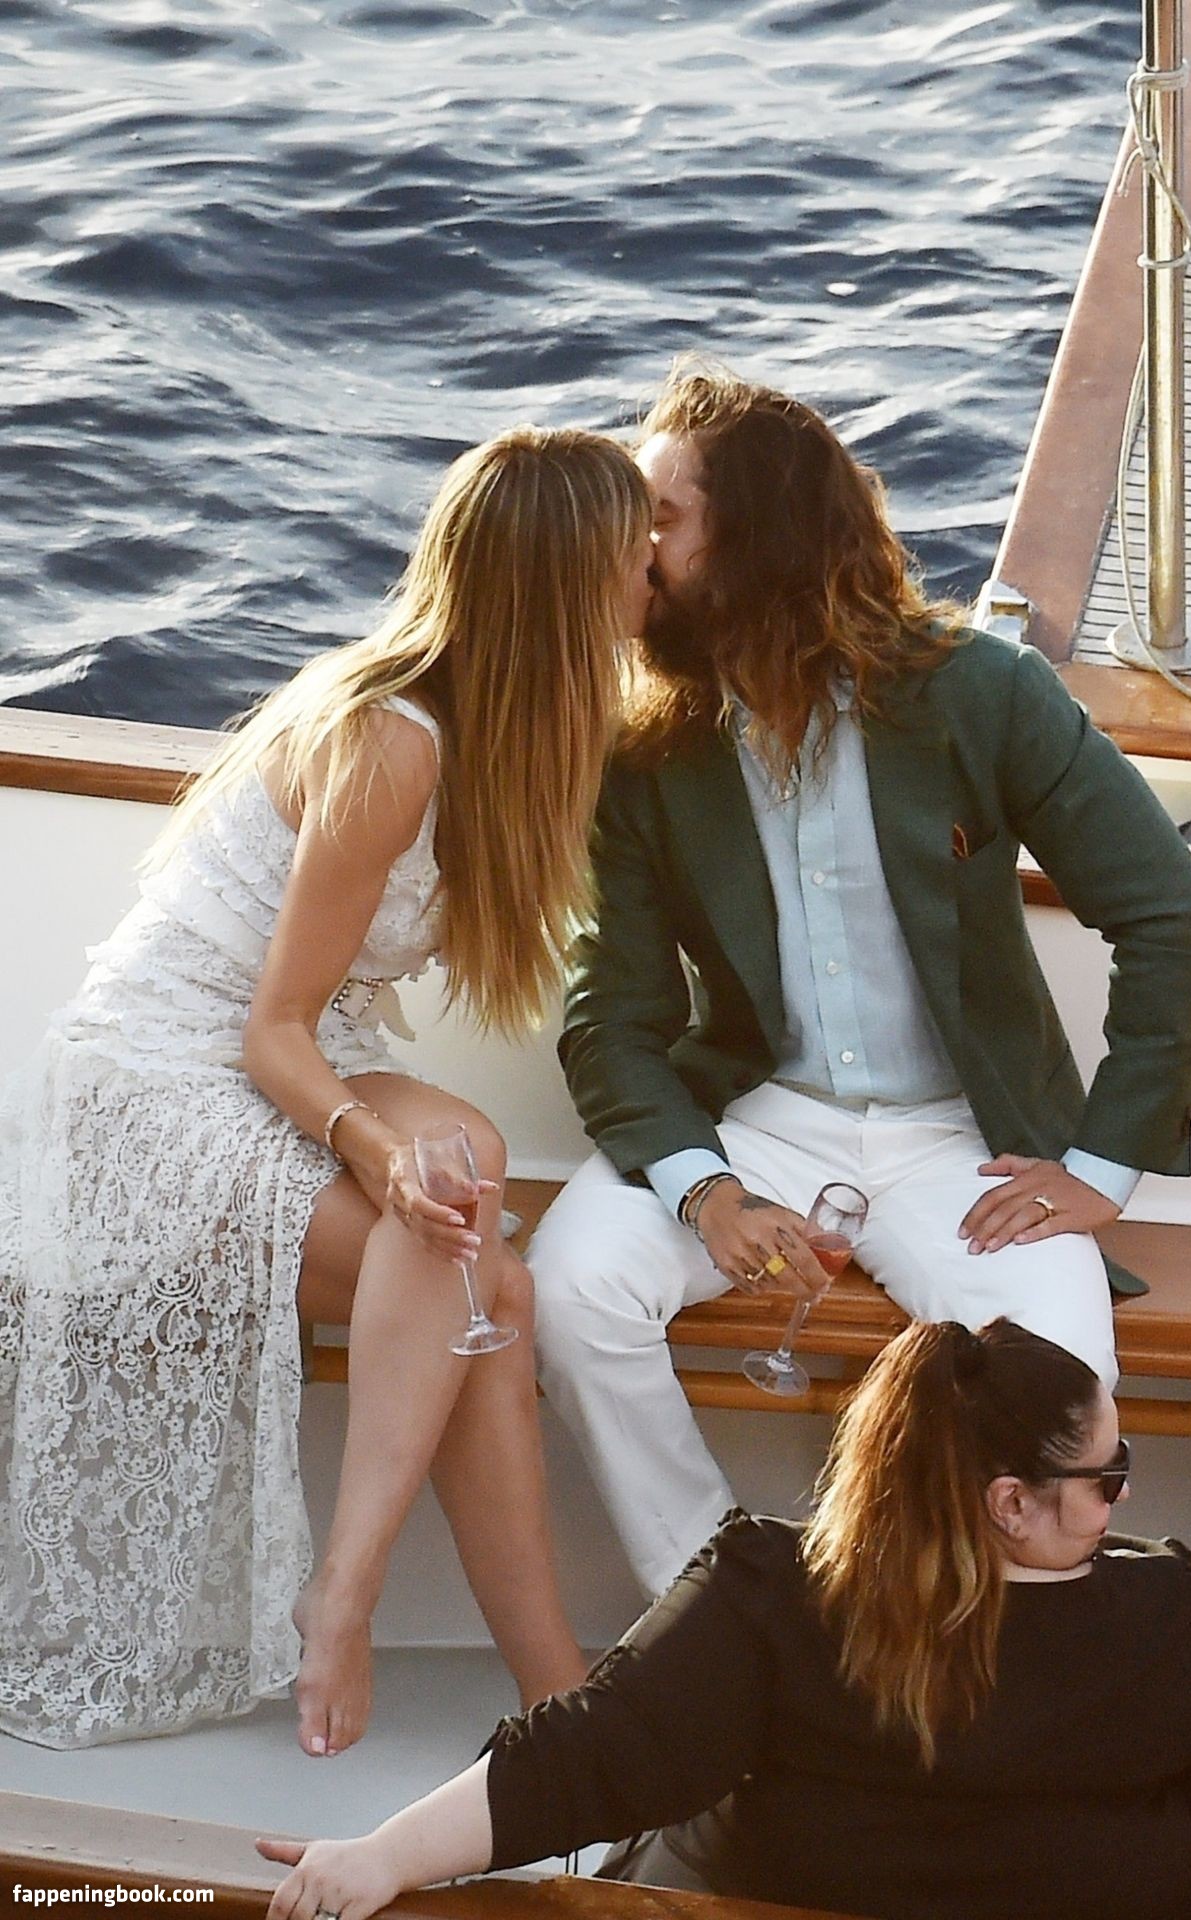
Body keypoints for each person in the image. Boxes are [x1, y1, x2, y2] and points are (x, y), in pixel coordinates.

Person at [0, 426, 654, 1755]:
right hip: (156, 1077)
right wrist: (370, 1149)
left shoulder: (518, 731)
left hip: (296, 1059)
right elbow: (271, 1028)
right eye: (638, 558)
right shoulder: (390, 740)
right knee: (478, 1270)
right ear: (570, 586)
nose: (656, 578)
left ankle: (547, 1692)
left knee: (465, 1166)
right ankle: (382, 1617)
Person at [528, 363, 1191, 1597]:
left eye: (661, 520)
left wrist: (1098, 1167)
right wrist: (706, 1190)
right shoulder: (643, 753)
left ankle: (966, 1664)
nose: (632, 552)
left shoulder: (977, 692)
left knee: (1061, 1402)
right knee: (571, 1287)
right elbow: (610, 1016)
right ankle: (718, 1615)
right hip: (756, 1120)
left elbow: (1170, 919)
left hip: (967, 1142)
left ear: (758, 539)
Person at [255, 1317, 1191, 1920]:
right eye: (1109, 1476)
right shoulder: (1164, 1614)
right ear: (1010, 1502)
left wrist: (382, 1855)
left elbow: (585, 1758)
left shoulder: (769, 1592)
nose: (1123, 1499)